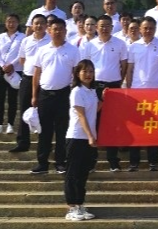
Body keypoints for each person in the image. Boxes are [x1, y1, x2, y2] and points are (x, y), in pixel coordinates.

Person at [30, 16, 80, 175]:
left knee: (62, 130)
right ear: (49, 31)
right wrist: (34, 95)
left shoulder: (73, 50)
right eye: (55, 29)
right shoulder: (43, 50)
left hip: (63, 95)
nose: (58, 32)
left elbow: (76, 74)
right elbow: (36, 74)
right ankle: (42, 163)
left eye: (61, 29)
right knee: (44, 131)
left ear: (65, 31)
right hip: (45, 95)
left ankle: (60, 162)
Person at [80, 14, 128, 172]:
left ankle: (113, 161)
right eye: (101, 26)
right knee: (93, 122)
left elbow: (124, 65)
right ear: (96, 27)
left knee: (113, 124)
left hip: (114, 87)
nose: (104, 29)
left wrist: (119, 82)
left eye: (108, 26)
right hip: (94, 87)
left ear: (112, 28)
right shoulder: (89, 45)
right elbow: (84, 67)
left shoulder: (120, 44)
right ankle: (91, 161)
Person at [126, 16, 158, 171]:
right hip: (136, 93)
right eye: (145, 28)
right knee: (135, 128)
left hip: (155, 93)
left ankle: (153, 162)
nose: (148, 31)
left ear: (155, 29)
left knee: (153, 128)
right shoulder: (133, 47)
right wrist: (128, 89)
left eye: (151, 28)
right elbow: (130, 70)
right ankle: (134, 163)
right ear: (140, 29)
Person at [63, 59, 98, 222]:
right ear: (78, 73)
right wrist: (90, 135)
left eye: (91, 71)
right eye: (85, 71)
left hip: (87, 138)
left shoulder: (91, 91)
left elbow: (94, 110)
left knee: (83, 172)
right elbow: (81, 115)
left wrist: (105, 98)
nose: (88, 74)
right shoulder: (77, 91)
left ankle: (79, 203)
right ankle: (71, 207)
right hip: (76, 137)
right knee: (73, 173)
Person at [10, 14, 49, 154]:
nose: (39, 26)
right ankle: (23, 142)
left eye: (42, 23)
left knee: (44, 113)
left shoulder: (50, 40)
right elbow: (22, 59)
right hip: (27, 79)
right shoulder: (26, 41)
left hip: (45, 80)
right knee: (24, 109)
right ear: (32, 26)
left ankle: (44, 144)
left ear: (46, 25)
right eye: (36, 23)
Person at [0, 14, 23, 135]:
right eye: (9, 21)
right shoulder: (0, 37)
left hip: (16, 70)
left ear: (18, 23)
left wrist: (11, 65)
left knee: (12, 99)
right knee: (0, 99)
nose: (11, 24)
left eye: (14, 21)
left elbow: (21, 54)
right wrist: (3, 65)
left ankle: (10, 124)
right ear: (5, 23)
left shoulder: (22, 37)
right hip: (1, 70)